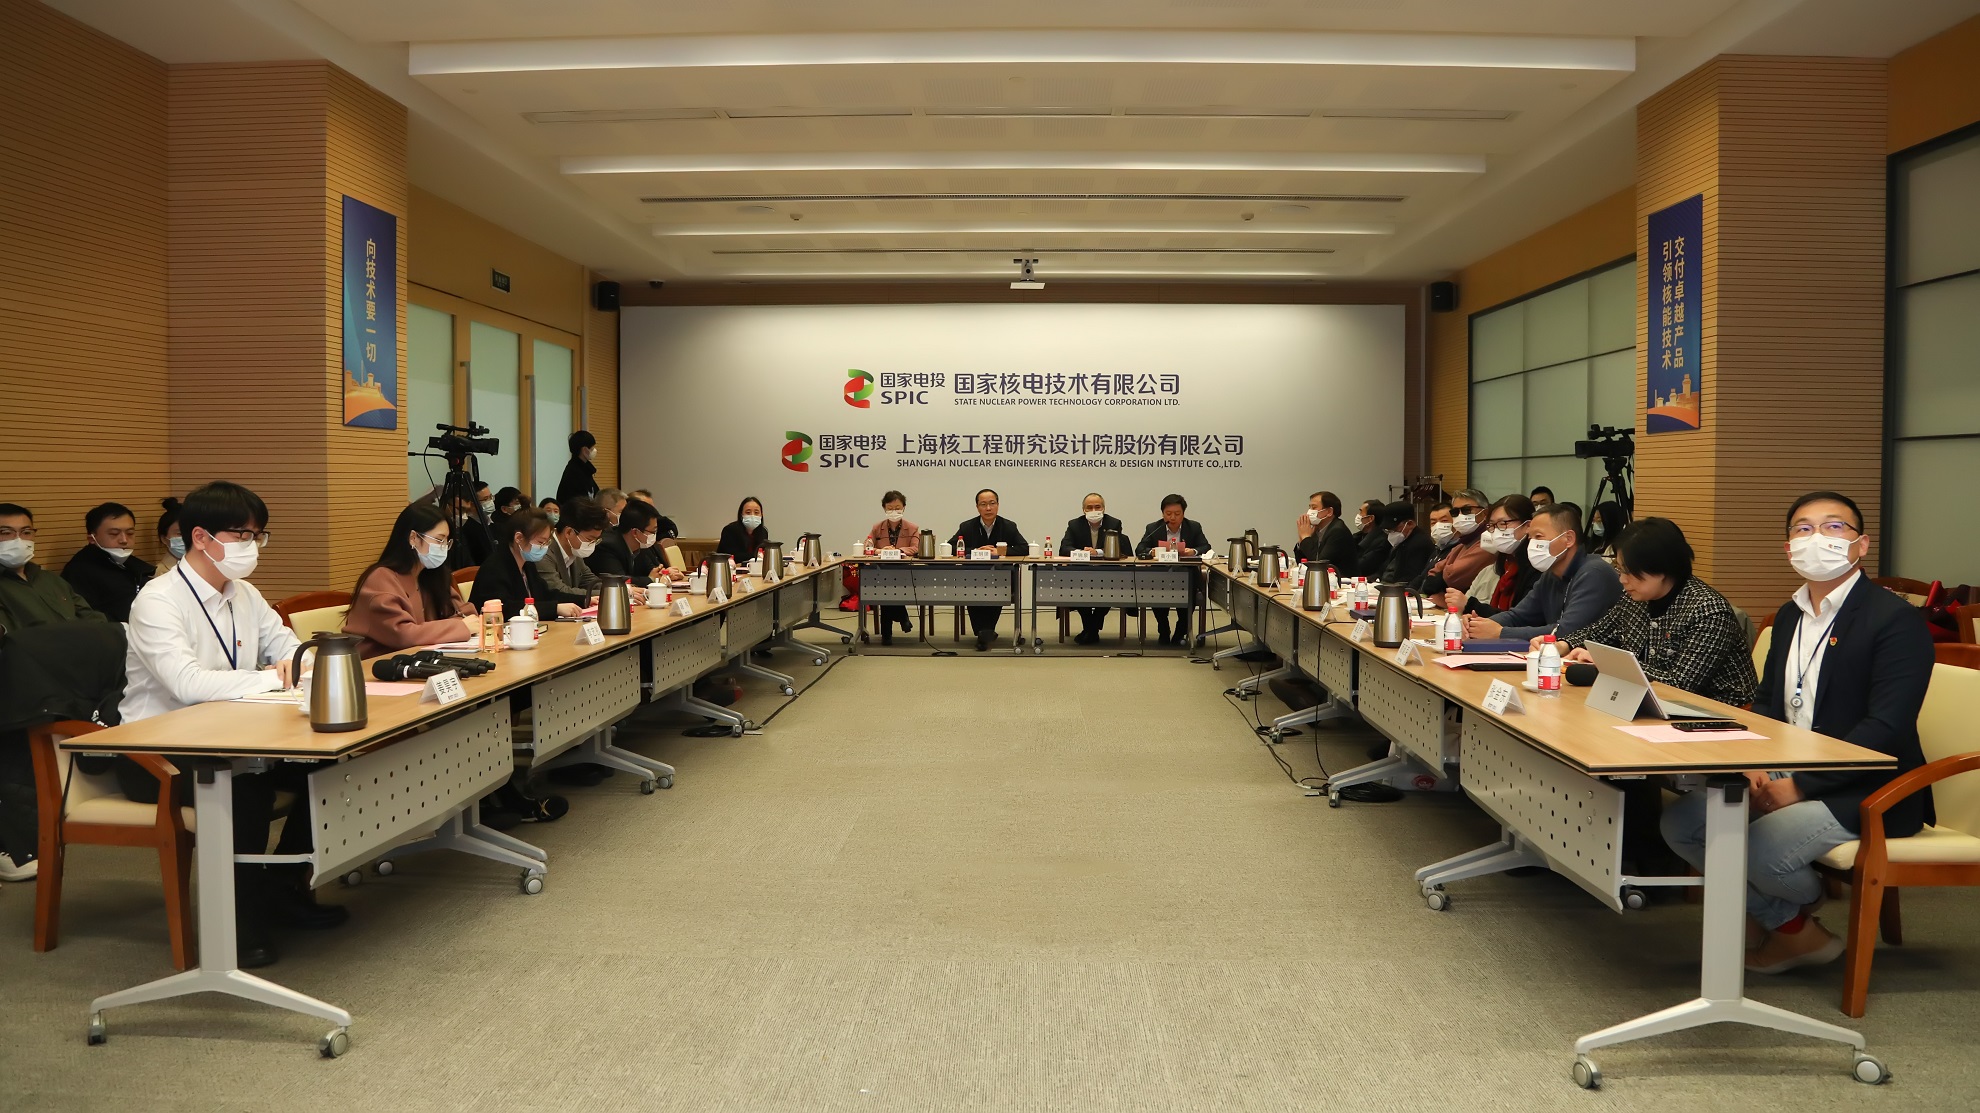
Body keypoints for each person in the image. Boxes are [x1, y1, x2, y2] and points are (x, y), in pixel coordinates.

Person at [1662, 492, 1935, 975]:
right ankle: (1793, 927)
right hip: (1788, 765)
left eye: (1834, 527)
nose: (1817, 538)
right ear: (1789, 547)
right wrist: (1753, 762)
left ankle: (1787, 921)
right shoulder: (1789, 615)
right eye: (1803, 529)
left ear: (1861, 545)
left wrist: (1801, 785)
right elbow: (1768, 703)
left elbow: (1887, 727)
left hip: (1870, 784)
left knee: (1761, 849)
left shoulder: (1895, 620)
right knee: (1683, 824)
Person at [120, 481, 344, 968]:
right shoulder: (158, 601)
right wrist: (270, 677)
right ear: (201, 537)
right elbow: (186, 683)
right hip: (157, 748)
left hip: (233, 731)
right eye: (242, 534)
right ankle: (239, 924)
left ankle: (283, 887)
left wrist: (292, 663)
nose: (252, 546)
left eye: (257, 535)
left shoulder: (244, 593)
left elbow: (293, 650)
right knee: (244, 789)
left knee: (328, 768)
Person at [1561, 518, 1756, 707]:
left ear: (1662, 568)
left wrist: (1609, 663)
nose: (1622, 579)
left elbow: (1680, 684)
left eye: (1629, 571)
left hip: (1719, 713)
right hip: (1650, 702)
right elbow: (1597, 632)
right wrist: (1562, 645)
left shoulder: (1709, 611)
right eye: (1619, 569)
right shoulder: (1635, 598)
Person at [1461, 501, 1622, 643]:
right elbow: (1519, 615)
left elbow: (1568, 631)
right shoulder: (1551, 574)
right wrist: (1479, 624)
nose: (1532, 544)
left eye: (1539, 536)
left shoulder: (1594, 573)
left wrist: (1500, 633)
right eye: (1530, 538)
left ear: (1568, 539)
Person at [343, 502, 478, 659]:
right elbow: (403, 634)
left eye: (447, 541)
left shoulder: (430, 575)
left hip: (418, 660)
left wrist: (456, 625)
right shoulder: (380, 579)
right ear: (413, 538)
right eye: (439, 540)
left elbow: (467, 615)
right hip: (376, 666)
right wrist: (458, 627)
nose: (443, 548)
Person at [0, 503, 104, 629]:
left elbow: (91, 617)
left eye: (26, 532)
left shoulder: (50, 578)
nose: (19, 540)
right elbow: (13, 637)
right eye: (6, 533)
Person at [471, 508, 583, 619]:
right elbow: (505, 609)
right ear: (519, 538)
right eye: (540, 542)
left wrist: (584, 600)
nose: (544, 547)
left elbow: (546, 595)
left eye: (546, 542)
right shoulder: (494, 568)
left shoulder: (527, 564)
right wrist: (555, 608)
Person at [954, 489, 1029, 651]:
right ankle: (984, 632)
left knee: (998, 585)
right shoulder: (967, 526)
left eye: (992, 503)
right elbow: (953, 547)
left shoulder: (1008, 526)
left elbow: (1024, 548)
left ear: (998, 505)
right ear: (977, 507)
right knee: (973, 588)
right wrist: (976, 550)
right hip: (973, 577)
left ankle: (984, 632)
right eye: (983, 504)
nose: (988, 508)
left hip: (1000, 577)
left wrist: (1000, 551)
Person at [1445, 494, 1541, 618]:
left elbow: (1520, 619)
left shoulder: (1536, 567)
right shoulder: (1505, 563)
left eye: (1503, 523)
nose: (1496, 531)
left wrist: (1469, 605)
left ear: (1527, 526)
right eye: (1492, 525)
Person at [60, 502, 156, 623]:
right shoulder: (79, 571)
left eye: (130, 533)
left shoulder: (133, 564)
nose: (124, 540)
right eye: (114, 534)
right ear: (92, 538)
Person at [1136, 494, 1211, 646]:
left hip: (1187, 575)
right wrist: (1152, 551)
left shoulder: (1193, 527)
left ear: (1183, 513)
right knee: (1157, 597)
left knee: (1188, 601)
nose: (1172, 517)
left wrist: (1193, 551)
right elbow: (1140, 549)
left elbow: (1205, 546)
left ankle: (1179, 633)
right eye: (1168, 513)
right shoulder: (1153, 528)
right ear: (1162, 513)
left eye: (1177, 513)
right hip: (1160, 576)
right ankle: (1163, 630)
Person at [1062, 492, 1126, 643]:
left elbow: (1120, 549)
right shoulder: (1074, 524)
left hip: (1107, 573)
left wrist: (1097, 552)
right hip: (1081, 574)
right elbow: (1064, 548)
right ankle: (1092, 629)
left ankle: (1090, 629)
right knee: (1076, 590)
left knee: (1110, 591)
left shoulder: (1114, 523)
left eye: (1097, 507)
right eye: (1089, 507)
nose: (1093, 510)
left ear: (1104, 508)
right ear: (1083, 510)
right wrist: (1081, 552)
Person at [861, 491, 920, 645]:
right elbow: (867, 547)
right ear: (884, 508)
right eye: (890, 508)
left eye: (898, 508)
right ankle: (902, 617)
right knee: (886, 588)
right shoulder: (877, 527)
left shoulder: (912, 528)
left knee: (887, 592)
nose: (894, 512)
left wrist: (897, 551)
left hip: (905, 572)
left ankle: (887, 634)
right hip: (881, 571)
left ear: (904, 508)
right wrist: (881, 551)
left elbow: (916, 548)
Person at [591, 498, 685, 585]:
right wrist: (651, 579)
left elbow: (652, 571)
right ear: (635, 532)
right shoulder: (607, 546)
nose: (654, 535)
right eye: (653, 531)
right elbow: (618, 580)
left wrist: (665, 574)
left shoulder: (641, 545)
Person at [1417, 488, 1492, 595]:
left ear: (1484, 513)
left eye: (1466, 510)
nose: (1460, 515)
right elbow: (1434, 571)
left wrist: (1441, 577)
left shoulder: (1488, 543)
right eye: (1455, 512)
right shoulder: (1462, 544)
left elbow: (1452, 576)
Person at [536, 497, 608, 605]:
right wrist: (606, 594)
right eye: (589, 539)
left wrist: (617, 589)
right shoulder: (544, 551)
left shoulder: (574, 551)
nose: (592, 544)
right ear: (569, 532)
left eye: (596, 540)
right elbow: (559, 591)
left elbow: (591, 582)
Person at [1292, 491, 1358, 571]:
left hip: (1342, 578)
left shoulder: (1338, 531)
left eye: (1314, 507)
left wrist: (1306, 538)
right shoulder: (1316, 529)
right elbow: (1302, 563)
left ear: (1329, 512)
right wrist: (1301, 540)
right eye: (1310, 507)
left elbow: (1319, 564)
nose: (1309, 512)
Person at [1375, 501, 1433, 584]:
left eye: (1395, 529)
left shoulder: (1419, 544)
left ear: (1410, 524)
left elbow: (1409, 578)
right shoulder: (1402, 539)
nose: (1391, 533)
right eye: (1388, 530)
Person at [556, 430, 600, 508]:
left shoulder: (585, 469)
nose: (594, 450)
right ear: (584, 450)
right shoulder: (574, 472)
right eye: (592, 448)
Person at [1352, 498, 1391, 578]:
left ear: (1371, 518)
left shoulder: (1383, 541)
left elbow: (1361, 566)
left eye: (1361, 512)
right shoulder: (1357, 536)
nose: (1358, 515)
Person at [156, 497, 184, 574]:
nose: (187, 537)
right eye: (180, 534)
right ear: (164, 539)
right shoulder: (159, 573)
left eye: (189, 532)